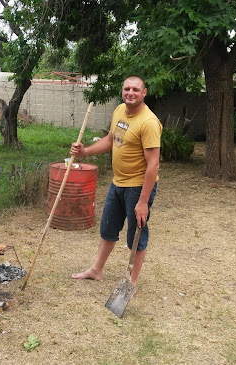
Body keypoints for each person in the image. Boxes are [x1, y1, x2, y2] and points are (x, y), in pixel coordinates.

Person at [70, 75, 162, 296]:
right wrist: (85, 152)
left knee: (136, 235)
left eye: (136, 90)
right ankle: (96, 269)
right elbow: (111, 140)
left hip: (138, 187)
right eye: (127, 89)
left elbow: (153, 165)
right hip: (118, 182)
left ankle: (131, 282)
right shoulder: (120, 110)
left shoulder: (148, 122)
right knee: (108, 227)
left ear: (144, 92)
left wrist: (142, 202)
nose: (130, 93)